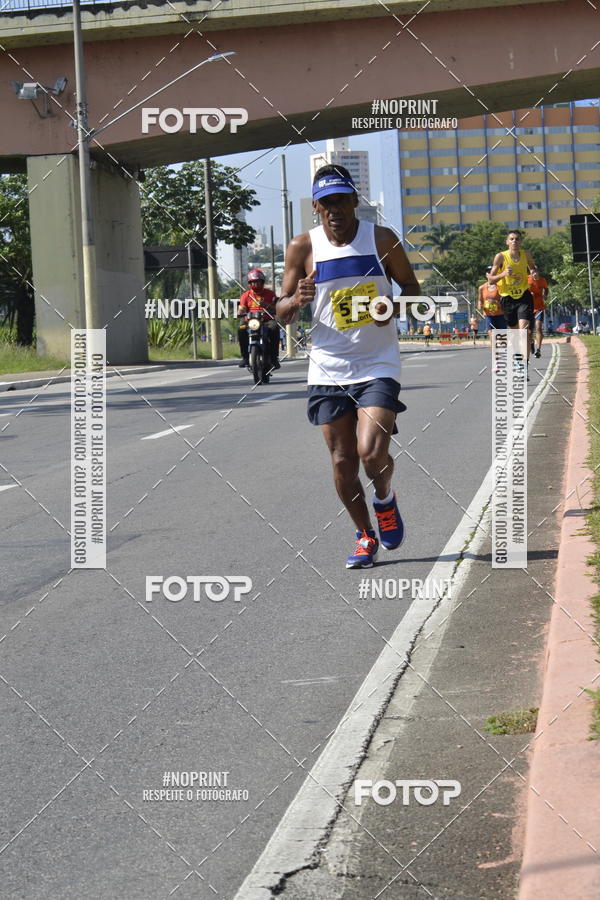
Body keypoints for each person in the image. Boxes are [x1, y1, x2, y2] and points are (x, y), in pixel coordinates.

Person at [277, 164, 420, 568]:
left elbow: (412, 288)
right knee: (343, 461)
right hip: (327, 367)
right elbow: (280, 310)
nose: (334, 209)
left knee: (371, 453)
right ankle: (364, 535)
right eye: (325, 203)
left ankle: (385, 500)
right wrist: (295, 301)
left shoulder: (381, 239)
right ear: (317, 208)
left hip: (377, 362)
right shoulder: (302, 247)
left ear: (355, 201)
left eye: (340, 200)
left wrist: (392, 306)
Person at [489, 230, 538, 368]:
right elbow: (491, 280)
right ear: (507, 242)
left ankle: (525, 364)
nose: (514, 241)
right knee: (515, 334)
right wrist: (503, 273)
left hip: (524, 295)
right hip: (507, 298)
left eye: (517, 239)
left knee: (524, 331)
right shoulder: (500, 257)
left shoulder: (526, 254)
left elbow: (533, 267)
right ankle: (517, 357)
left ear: (521, 241)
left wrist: (534, 273)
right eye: (511, 239)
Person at [237, 269, 280, 369]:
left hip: (266, 320)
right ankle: (245, 357)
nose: (256, 284)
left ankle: (274, 357)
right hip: (251, 321)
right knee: (241, 329)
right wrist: (240, 311)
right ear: (249, 283)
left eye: (258, 281)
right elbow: (242, 308)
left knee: (274, 328)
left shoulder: (270, 294)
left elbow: (276, 308)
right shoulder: (245, 295)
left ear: (262, 282)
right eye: (253, 282)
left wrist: (266, 305)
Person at [478, 266, 507, 330]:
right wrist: (480, 306)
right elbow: (480, 300)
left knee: (502, 336)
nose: (490, 273)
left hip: (500, 314)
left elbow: (506, 303)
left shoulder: (500, 287)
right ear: (486, 275)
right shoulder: (481, 288)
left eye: (491, 272)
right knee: (491, 333)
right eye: (488, 272)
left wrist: (495, 302)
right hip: (488, 315)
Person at [527, 270, 548, 358]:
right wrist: (528, 294)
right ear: (530, 274)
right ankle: (531, 342)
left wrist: (545, 295)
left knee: (538, 328)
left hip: (539, 308)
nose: (535, 274)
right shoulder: (526, 279)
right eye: (533, 273)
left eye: (536, 272)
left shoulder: (542, 280)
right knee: (529, 331)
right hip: (528, 308)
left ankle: (538, 350)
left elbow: (546, 289)